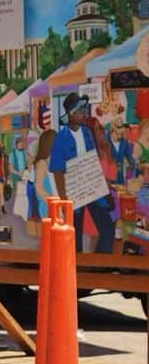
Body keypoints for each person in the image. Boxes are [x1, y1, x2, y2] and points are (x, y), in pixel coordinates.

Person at [49, 93, 115, 253]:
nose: (84, 112)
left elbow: (93, 161)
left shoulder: (87, 132)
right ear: (71, 114)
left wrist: (103, 183)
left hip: (92, 188)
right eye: (80, 110)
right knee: (75, 235)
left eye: (84, 108)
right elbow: (58, 171)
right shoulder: (61, 138)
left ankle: (100, 267)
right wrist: (64, 200)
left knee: (107, 228)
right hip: (74, 192)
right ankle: (77, 270)